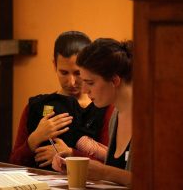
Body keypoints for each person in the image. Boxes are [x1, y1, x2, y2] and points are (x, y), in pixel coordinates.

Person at [9, 31, 113, 170]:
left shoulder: (105, 108)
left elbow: (112, 165)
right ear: (54, 65)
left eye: (78, 73)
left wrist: (71, 154)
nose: (71, 82)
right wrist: (33, 140)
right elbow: (13, 163)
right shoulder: (38, 106)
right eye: (64, 72)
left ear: (89, 68)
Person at [52, 38, 133, 187]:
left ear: (115, 80)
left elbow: (159, 182)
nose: (84, 90)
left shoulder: (152, 121)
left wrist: (104, 172)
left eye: (90, 83)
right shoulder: (116, 115)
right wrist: (74, 158)